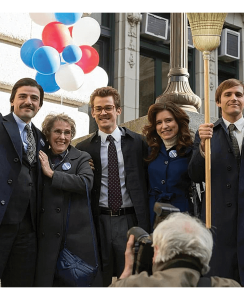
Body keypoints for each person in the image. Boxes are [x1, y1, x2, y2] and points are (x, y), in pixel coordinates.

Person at [188, 78, 244, 288]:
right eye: (227, 95)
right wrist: (202, 145)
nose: (233, 98)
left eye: (238, 95)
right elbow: (195, 175)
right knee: (220, 280)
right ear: (218, 102)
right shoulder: (206, 134)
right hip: (217, 223)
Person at [76, 86, 150, 287]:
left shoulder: (138, 143)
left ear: (118, 110)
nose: (103, 113)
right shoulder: (83, 149)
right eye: (98, 109)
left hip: (130, 220)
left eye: (108, 108)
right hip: (97, 221)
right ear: (92, 112)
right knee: (98, 277)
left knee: (133, 277)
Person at [33, 113, 102, 288]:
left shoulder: (81, 157)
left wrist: (52, 174)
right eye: (57, 131)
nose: (62, 137)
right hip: (43, 239)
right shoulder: (38, 157)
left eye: (67, 132)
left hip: (74, 240)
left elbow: (86, 183)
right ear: (48, 134)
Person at [0, 78, 48, 288]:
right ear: (12, 101)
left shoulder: (41, 137)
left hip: (29, 227)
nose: (28, 101)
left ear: (39, 105)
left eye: (34, 98)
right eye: (23, 96)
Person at [108, 212, 241, 288]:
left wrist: (126, 274)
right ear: (205, 252)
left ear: (157, 250)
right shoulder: (228, 286)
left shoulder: (132, 286)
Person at [142, 101, 194, 230]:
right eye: (159, 122)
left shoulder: (191, 151)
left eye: (169, 120)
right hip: (154, 212)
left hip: (182, 212)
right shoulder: (150, 151)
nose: (164, 126)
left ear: (178, 122)